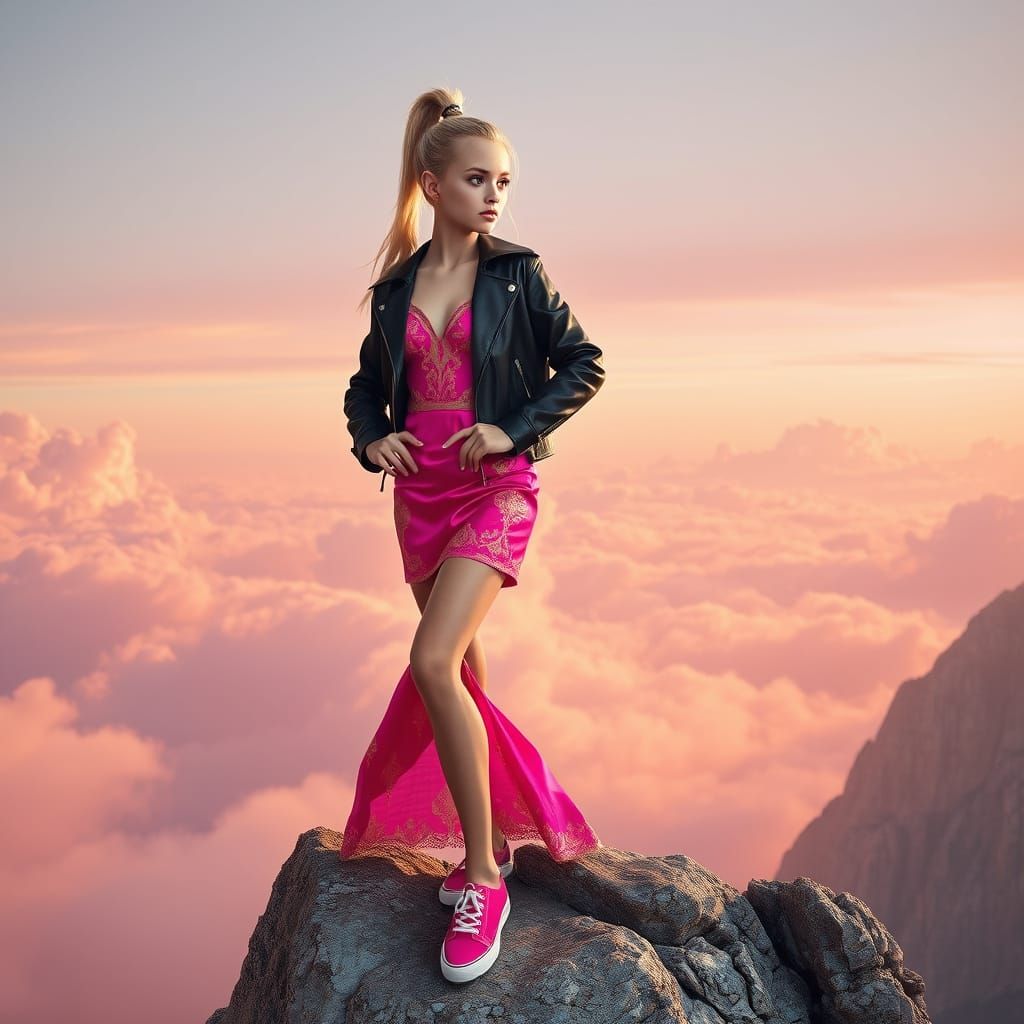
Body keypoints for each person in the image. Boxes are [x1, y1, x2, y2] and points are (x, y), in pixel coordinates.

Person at [339, 87, 606, 984]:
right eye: (478, 179)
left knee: (430, 662)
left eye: (505, 181)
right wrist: (372, 437)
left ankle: (485, 877)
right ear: (433, 181)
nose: (495, 195)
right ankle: (474, 844)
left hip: (496, 487)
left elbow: (585, 362)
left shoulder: (518, 273)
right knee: (462, 674)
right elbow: (363, 391)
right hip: (420, 495)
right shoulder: (393, 289)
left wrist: (514, 428)